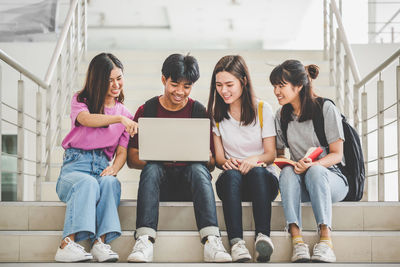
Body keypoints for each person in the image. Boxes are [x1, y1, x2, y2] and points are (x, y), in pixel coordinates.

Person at [126, 53, 232, 263]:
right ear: (164, 79)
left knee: (198, 169)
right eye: (175, 84)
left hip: (190, 184)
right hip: (158, 184)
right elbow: (131, 159)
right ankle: (144, 240)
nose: (180, 92)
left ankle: (211, 239)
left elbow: (211, 164)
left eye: (187, 86)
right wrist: (162, 157)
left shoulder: (199, 111)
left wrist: (204, 157)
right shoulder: (147, 110)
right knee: (152, 168)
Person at [54, 53, 137, 262]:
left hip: (101, 167)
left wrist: (114, 169)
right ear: (97, 81)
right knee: (88, 183)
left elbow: (122, 151)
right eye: (109, 80)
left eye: (119, 78)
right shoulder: (81, 101)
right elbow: (87, 120)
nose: (116, 84)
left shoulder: (126, 114)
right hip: (74, 169)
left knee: (110, 183)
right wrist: (118, 118)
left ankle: (100, 243)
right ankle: (66, 245)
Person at [270, 59, 348, 263]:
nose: (276, 91)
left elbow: (337, 154)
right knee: (287, 172)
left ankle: (326, 241)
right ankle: (297, 241)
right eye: (274, 86)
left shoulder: (325, 108)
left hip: (331, 179)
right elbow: (279, 155)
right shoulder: (281, 115)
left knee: (315, 172)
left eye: (281, 86)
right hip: (300, 178)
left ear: (298, 86)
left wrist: (313, 165)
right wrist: (288, 164)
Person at [206, 55, 279, 262]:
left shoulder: (263, 109)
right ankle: (237, 243)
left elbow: (270, 155)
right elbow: (220, 158)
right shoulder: (215, 115)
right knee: (230, 176)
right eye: (219, 85)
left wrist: (253, 160)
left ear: (243, 81)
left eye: (229, 84)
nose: (224, 91)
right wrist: (227, 163)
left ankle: (263, 237)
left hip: (263, 181)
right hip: (233, 183)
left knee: (257, 171)